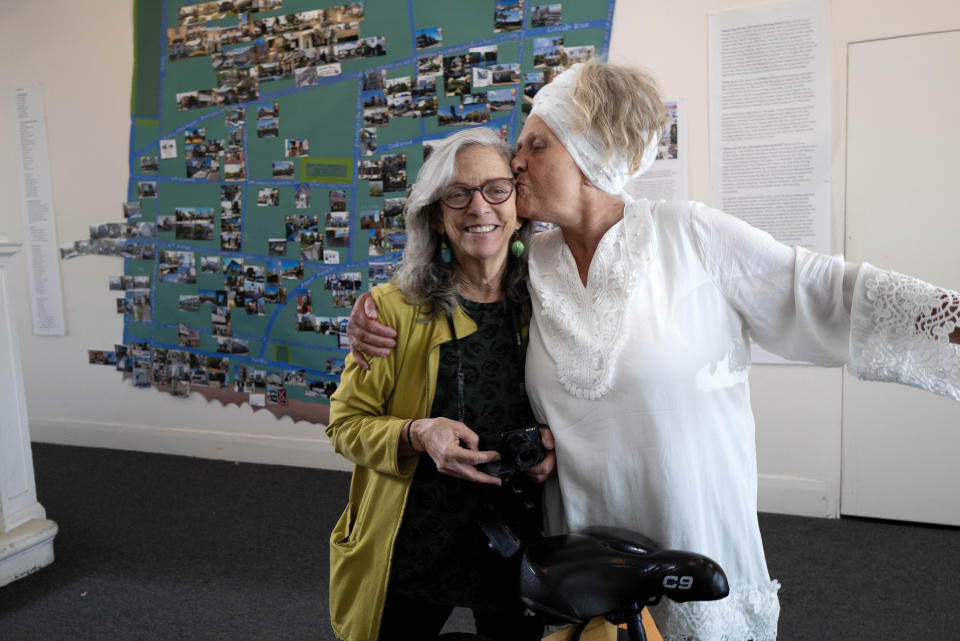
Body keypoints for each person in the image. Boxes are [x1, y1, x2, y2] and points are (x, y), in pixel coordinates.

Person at [347, 61, 960, 641]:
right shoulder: (534, 260)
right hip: (584, 544)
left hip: (691, 518)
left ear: (587, 158)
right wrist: (371, 309)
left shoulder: (690, 234)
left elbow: (824, 290)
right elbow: (454, 266)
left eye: (537, 145)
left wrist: (948, 318)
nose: (517, 161)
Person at [326, 127, 550, 641]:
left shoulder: (549, 303)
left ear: (519, 203)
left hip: (521, 534)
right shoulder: (391, 310)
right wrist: (417, 434)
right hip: (416, 533)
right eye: (458, 193)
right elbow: (345, 425)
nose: (479, 207)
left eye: (496, 188)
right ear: (436, 214)